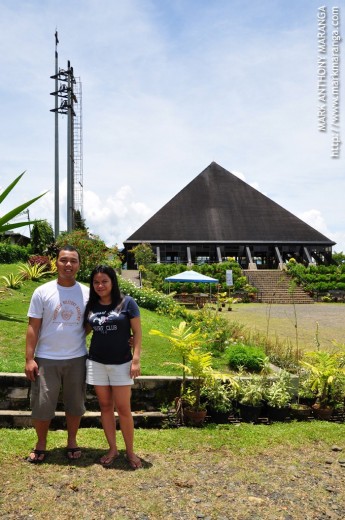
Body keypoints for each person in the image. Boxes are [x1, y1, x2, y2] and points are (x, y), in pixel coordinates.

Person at [25, 245, 89, 463]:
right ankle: (41, 443)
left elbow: (91, 324)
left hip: (77, 357)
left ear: (79, 264)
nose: (68, 264)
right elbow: (33, 327)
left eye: (73, 260)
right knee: (42, 405)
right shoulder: (42, 292)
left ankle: (72, 441)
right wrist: (29, 358)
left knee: (75, 403)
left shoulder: (87, 293)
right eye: (63, 260)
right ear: (56, 263)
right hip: (46, 358)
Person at [84, 265, 142, 469]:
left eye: (104, 281)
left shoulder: (127, 303)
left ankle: (130, 452)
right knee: (105, 407)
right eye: (96, 282)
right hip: (97, 362)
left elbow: (138, 334)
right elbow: (85, 331)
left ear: (112, 282)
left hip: (122, 363)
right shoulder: (91, 305)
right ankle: (112, 449)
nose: (100, 285)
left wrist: (135, 360)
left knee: (124, 409)